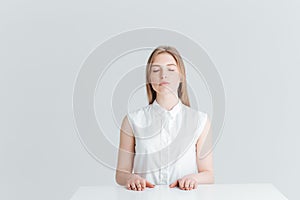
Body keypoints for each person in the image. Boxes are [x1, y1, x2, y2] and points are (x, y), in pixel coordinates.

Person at [115, 46, 214, 191]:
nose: (163, 75)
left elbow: (209, 174)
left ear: (181, 76)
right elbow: (120, 174)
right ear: (149, 78)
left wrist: (193, 178)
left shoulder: (200, 121)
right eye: (156, 70)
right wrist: (131, 178)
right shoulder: (132, 121)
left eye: (171, 69)